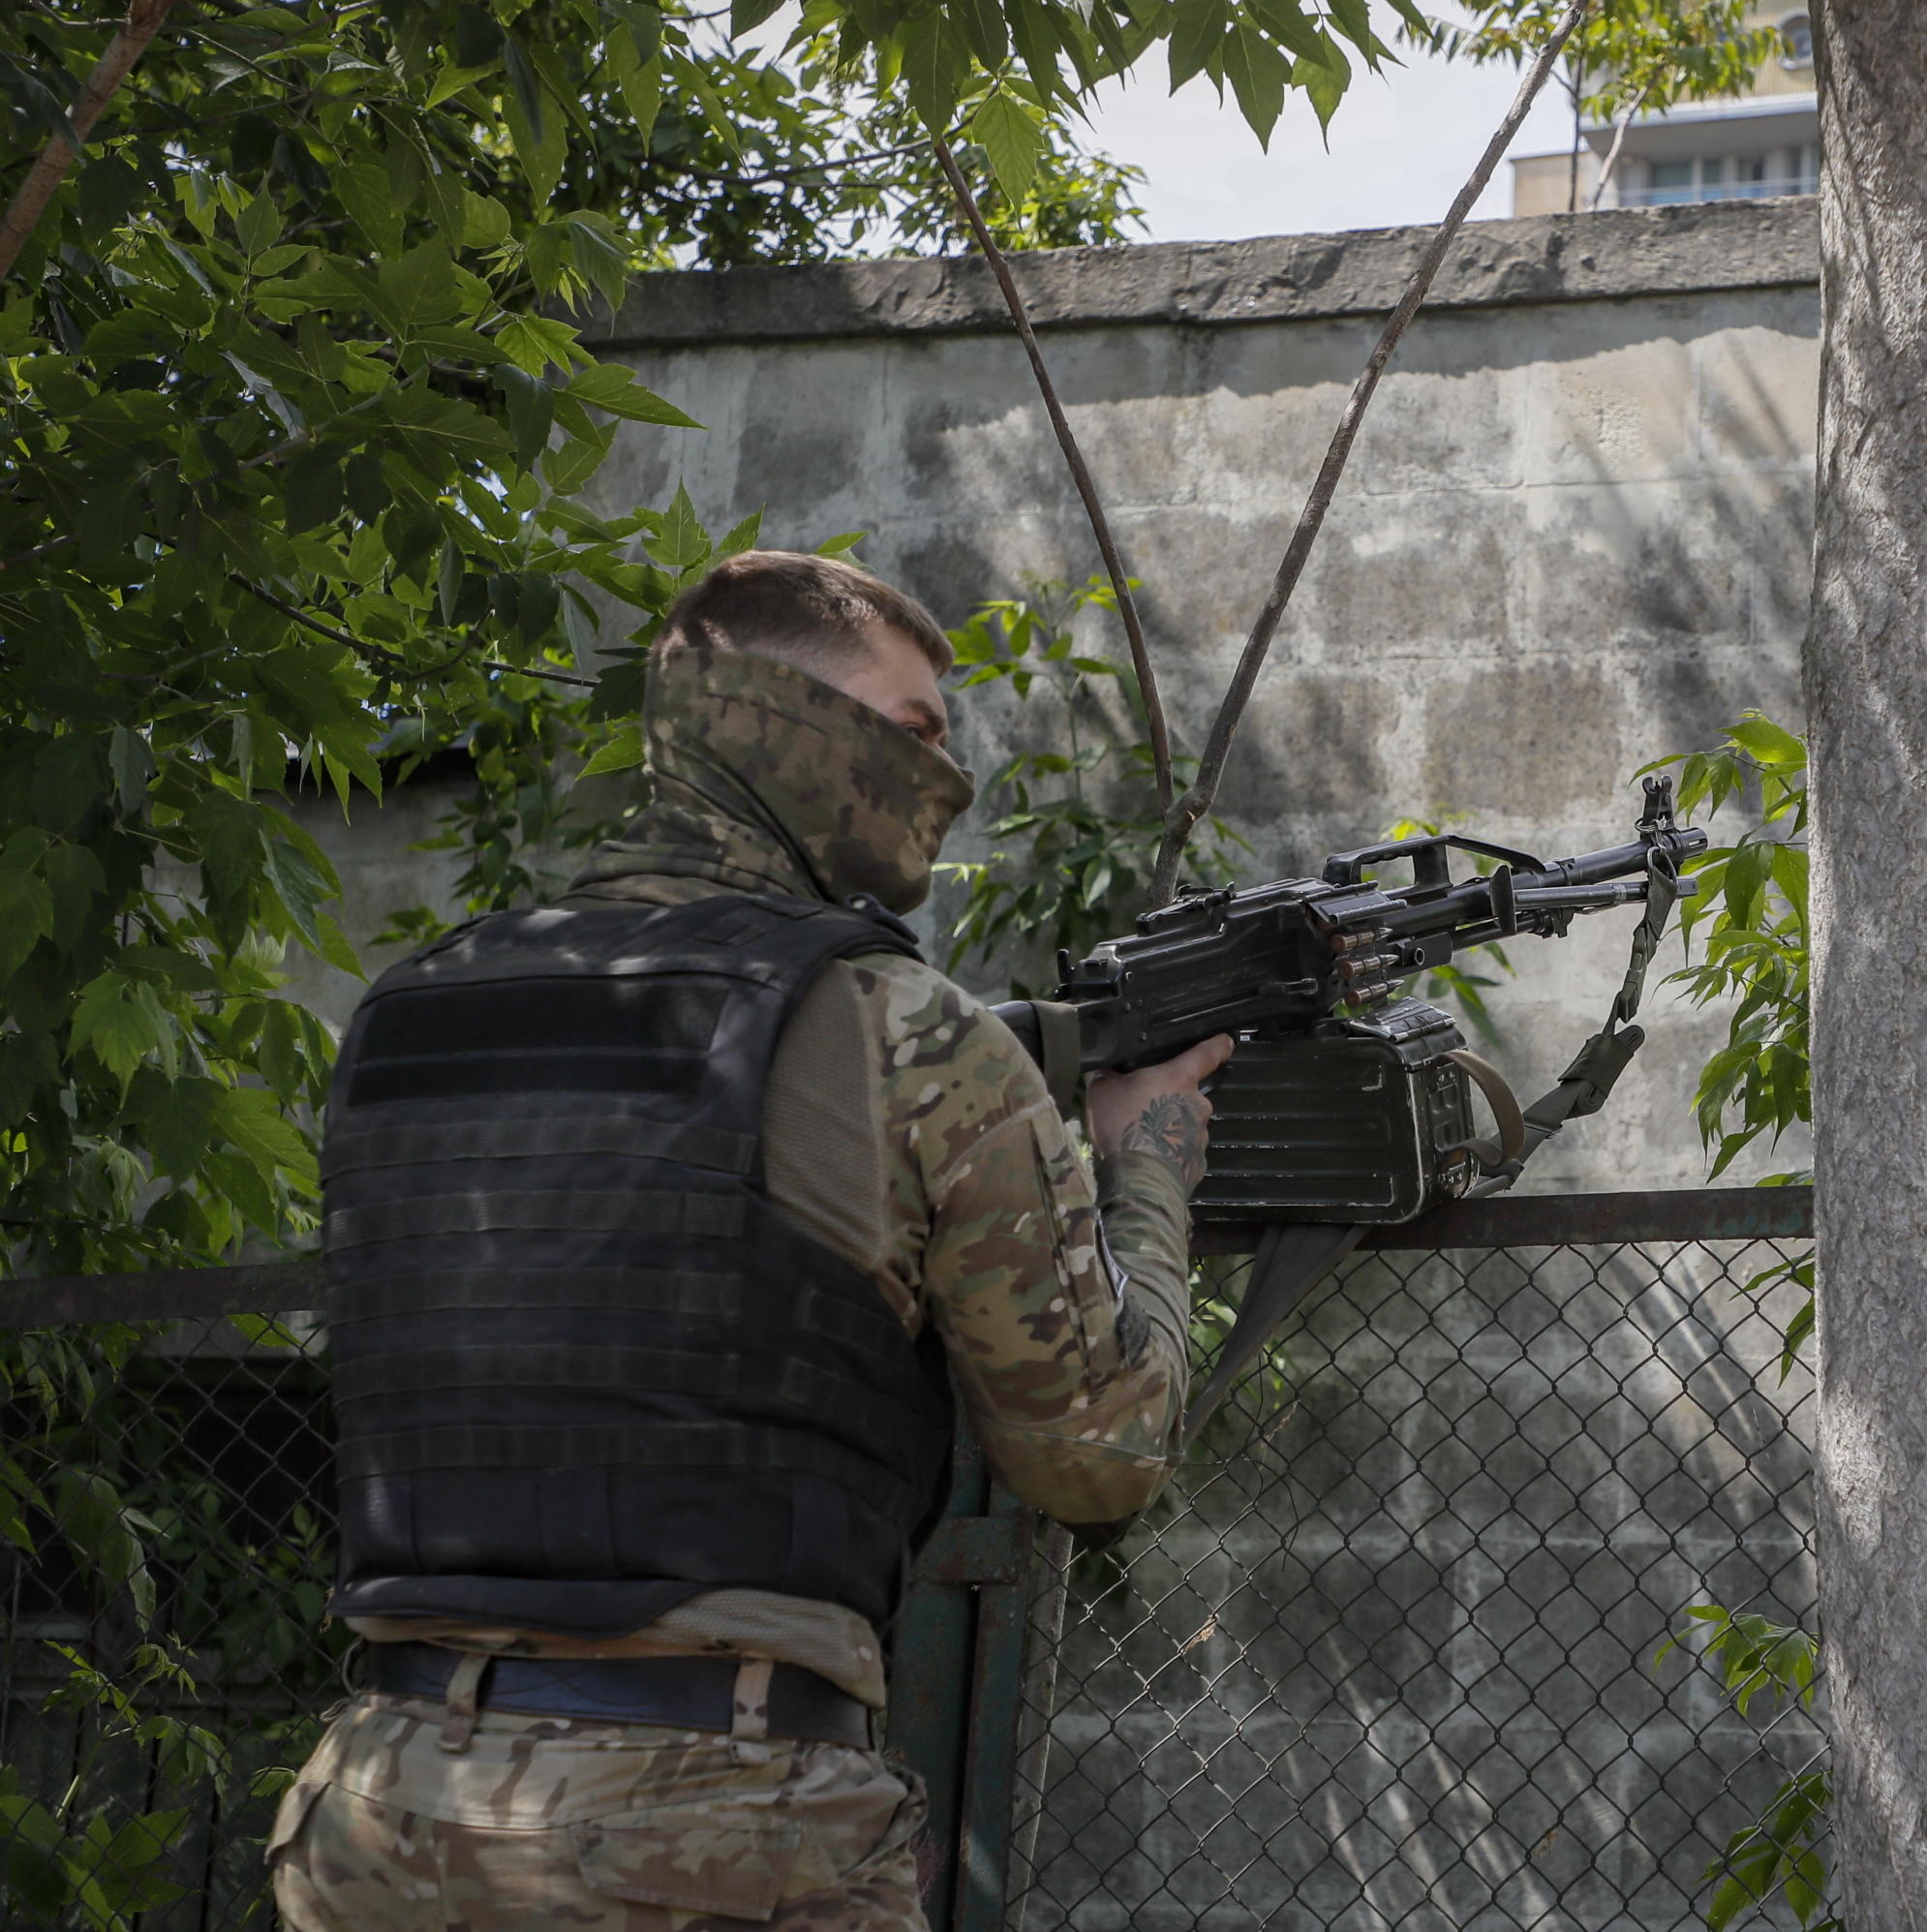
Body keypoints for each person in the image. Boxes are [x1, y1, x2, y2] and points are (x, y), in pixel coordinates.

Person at [266, 550, 1230, 1930]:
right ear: (782, 718)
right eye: (914, 730)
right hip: (709, 1823)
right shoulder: (905, 1029)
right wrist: (1151, 1165)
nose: (945, 774)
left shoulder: (404, 1010)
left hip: (378, 1808)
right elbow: (1099, 1452)